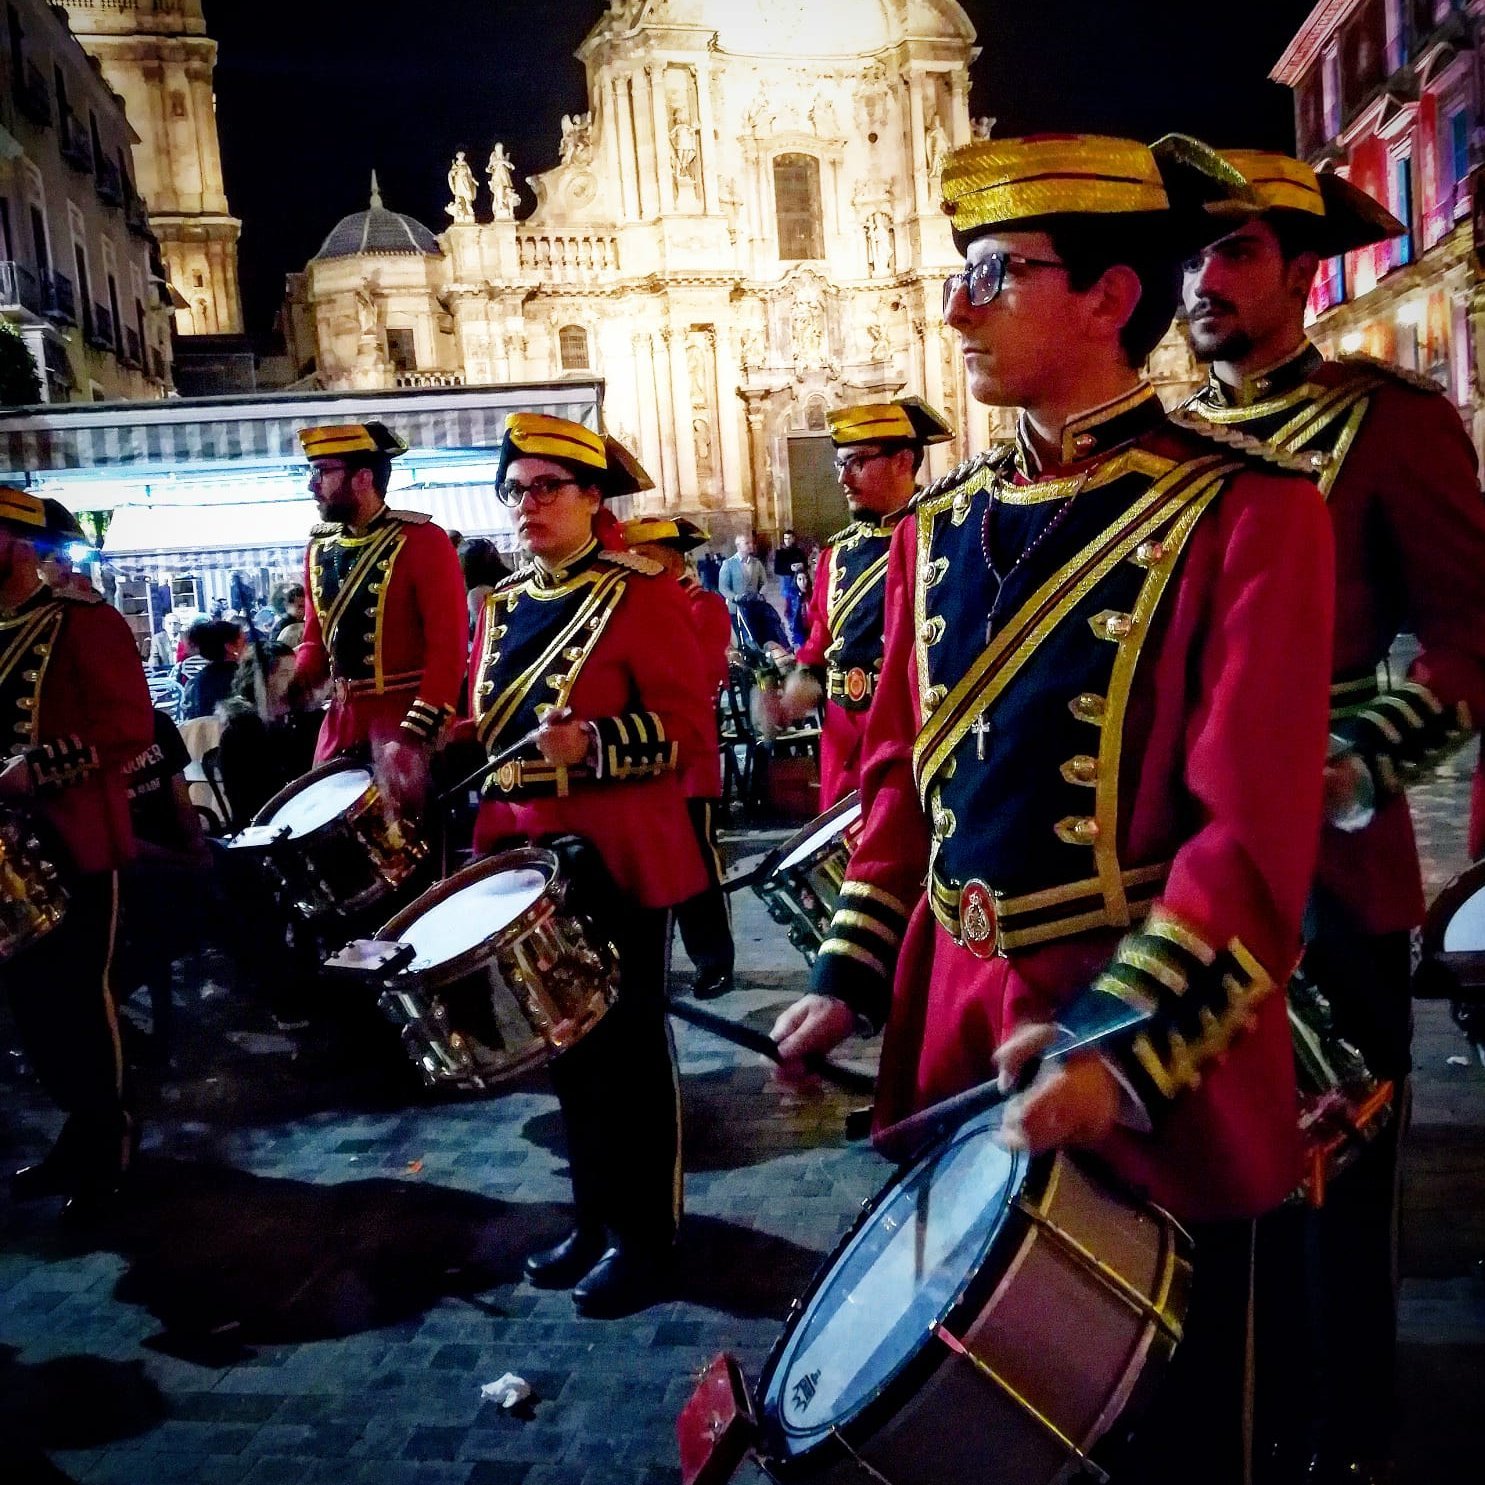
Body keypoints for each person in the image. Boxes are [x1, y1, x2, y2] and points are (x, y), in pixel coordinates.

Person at [769, 134, 1337, 1485]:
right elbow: (901, 786)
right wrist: (851, 970)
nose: (955, 306)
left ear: (1107, 299)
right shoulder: (934, 526)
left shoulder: (1249, 515)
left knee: (1178, 1430)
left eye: (993, 274)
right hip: (960, 1025)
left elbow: (1248, 845)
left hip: (1141, 1042)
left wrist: (1113, 1049)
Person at [1179, 149, 1485, 1483]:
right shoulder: (1158, 442)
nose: (1204, 282)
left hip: (1326, 876)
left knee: (1330, 1186)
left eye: (1237, 253)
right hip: (1178, 873)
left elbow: (1470, 640)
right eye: (1190, 256)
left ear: (1303, 272)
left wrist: (1355, 768)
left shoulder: (1387, 421)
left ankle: (1347, 1433)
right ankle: (1231, 1412)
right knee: (1203, 1175)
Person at [466, 413, 711, 1317]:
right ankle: (595, 1218)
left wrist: (596, 742)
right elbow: (483, 723)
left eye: (546, 488)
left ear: (590, 498)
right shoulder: (500, 609)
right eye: (516, 489)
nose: (526, 504)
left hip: (617, 857)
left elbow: (688, 732)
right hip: (527, 859)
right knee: (563, 1049)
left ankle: (648, 1236)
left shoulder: (641, 595)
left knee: (629, 1054)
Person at [0, 485, 155, 1223]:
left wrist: (41, 765)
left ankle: (111, 1140)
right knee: (31, 1007)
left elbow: (131, 726)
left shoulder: (82, 621)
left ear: (18, 544)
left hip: (75, 835)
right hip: (9, 850)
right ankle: (76, 1128)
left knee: (80, 1001)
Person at [289, 422, 467, 814]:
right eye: (311, 472)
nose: (311, 484)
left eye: (323, 472)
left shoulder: (422, 541)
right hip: (339, 725)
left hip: (401, 721)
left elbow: (448, 650)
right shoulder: (319, 547)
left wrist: (414, 736)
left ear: (363, 477)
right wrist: (292, 684)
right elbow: (315, 641)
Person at [784, 398, 953, 807]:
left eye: (856, 462)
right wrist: (801, 681)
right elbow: (821, 640)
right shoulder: (834, 555)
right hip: (843, 746)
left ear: (902, 461)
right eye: (838, 464)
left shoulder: (943, 539)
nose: (842, 478)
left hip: (909, 738)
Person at [622, 515, 736, 1000]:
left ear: (668, 557)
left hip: (689, 761)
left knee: (698, 865)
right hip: (642, 761)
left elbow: (702, 671)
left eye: (642, 556)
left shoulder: (702, 605)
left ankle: (713, 961)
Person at [181, 618, 243, 720]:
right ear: (230, 647)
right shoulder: (240, 677)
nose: (248, 647)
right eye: (244, 642)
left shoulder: (200, 679)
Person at [772, 528, 810, 647]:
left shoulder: (799, 551)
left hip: (801, 582)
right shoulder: (780, 552)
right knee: (789, 608)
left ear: (793, 539)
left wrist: (801, 565)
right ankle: (793, 629)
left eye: (789, 538)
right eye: (785, 539)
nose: (787, 541)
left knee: (802, 606)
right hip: (787, 583)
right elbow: (777, 569)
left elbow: (806, 564)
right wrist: (790, 568)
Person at [717, 532, 765, 608]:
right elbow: (723, 587)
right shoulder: (728, 564)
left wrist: (761, 595)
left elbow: (764, 582)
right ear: (738, 546)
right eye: (747, 543)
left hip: (755, 607)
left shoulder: (757, 563)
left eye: (751, 542)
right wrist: (735, 597)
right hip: (736, 608)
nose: (751, 545)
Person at [270, 583, 306, 648]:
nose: (303, 610)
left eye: (306, 607)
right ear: (286, 606)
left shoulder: (303, 623)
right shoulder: (282, 626)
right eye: (300, 606)